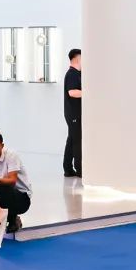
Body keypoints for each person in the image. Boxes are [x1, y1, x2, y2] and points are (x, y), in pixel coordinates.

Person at [63, 48, 82, 178]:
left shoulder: (77, 73)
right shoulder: (72, 74)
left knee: (71, 140)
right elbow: (72, 92)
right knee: (77, 142)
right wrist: (89, 93)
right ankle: (80, 170)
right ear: (77, 59)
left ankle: (68, 169)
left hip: (74, 113)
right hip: (74, 114)